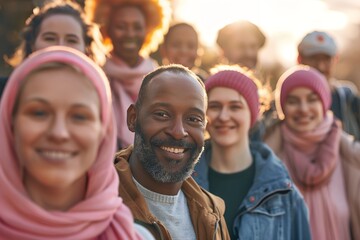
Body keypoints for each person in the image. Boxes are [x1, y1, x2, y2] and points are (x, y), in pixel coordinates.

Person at [0, 46, 142, 239]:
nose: (59, 133)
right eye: (39, 113)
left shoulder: (128, 234)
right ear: (10, 124)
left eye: (79, 116)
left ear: (104, 132)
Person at [192, 65, 311, 240]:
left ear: (253, 114)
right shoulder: (184, 183)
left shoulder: (284, 194)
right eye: (215, 106)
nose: (224, 116)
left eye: (235, 107)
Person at [114, 64, 230, 239]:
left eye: (193, 119)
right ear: (133, 118)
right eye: (162, 114)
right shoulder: (97, 202)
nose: (178, 132)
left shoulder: (212, 213)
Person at [264, 65, 360, 240]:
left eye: (312, 99)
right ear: (283, 107)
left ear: (324, 103)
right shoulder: (266, 160)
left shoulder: (351, 157)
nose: (303, 108)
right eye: (293, 101)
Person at [87, 0, 171, 149]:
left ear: (148, 29)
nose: (130, 34)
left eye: (137, 27)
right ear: (107, 29)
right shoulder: (93, 75)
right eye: (121, 26)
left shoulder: (161, 79)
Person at [0, 0, 106, 100]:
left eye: (71, 40)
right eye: (50, 38)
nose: (60, 46)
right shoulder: (3, 91)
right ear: (32, 44)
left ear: (86, 49)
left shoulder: (98, 97)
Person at [297, 30, 360, 140]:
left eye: (326, 59)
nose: (321, 66)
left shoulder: (348, 97)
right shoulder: (284, 101)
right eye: (313, 58)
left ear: (336, 59)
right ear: (299, 59)